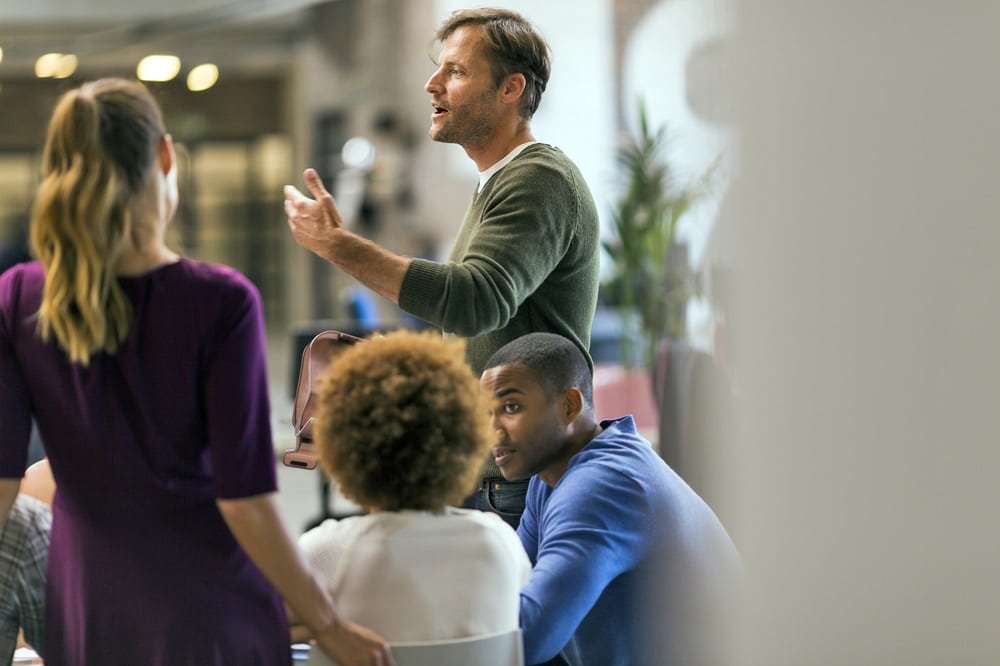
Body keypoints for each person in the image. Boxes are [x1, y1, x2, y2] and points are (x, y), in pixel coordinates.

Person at [0, 77, 392, 666]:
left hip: (87, 610)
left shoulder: (17, 296)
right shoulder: (219, 300)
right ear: (165, 156)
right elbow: (246, 502)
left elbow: (4, 486)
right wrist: (326, 622)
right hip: (209, 610)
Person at [285, 7, 600, 528]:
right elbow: (485, 331)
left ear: (510, 89)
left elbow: (474, 301)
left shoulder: (538, 178)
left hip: (519, 480)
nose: (432, 84)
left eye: (455, 71)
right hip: (497, 470)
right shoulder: (498, 181)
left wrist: (340, 247)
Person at [481, 332, 742, 666]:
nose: (491, 430)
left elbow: (526, 636)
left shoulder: (602, 486)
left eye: (510, 407)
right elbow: (511, 581)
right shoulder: (548, 478)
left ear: (569, 405)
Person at [296, 330, 530, 643]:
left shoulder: (322, 552)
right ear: (467, 439)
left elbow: (255, 627)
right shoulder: (501, 543)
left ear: (341, 447)